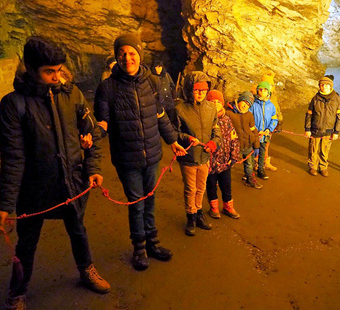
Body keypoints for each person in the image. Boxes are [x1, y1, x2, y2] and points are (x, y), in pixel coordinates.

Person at [0, 36, 110, 310]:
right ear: (30, 69)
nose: (57, 77)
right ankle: (17, 292)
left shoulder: (72, 94)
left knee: (78, 230)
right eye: (49, 72)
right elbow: (13, 157)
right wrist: (5, 204)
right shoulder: (14, 104)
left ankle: (86, 269)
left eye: (59, 70)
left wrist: (92, 168)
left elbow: (92, 133)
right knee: (27, 244)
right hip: (33, 188)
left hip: (71, 182)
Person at [94, 33, 186, 271]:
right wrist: (92, 135)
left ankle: (153, 242)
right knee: (136, 203)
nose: (127, 58)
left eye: (132, 53)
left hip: (153, 155)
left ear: (139, 55)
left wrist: (173, 140)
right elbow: (102, 122)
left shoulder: (152, 83)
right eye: (122, 54)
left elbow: (160, 116)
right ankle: (140, 248)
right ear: (116, 57)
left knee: (151, 200)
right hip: (127, 159)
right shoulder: (107, 88)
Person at [173, 71, 222, 236]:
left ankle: (199, 213)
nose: (201, 93)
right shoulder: (180, 110)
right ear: (189, 90)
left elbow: (217, 130)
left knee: (201, 188)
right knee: (190, 188)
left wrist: (214, 143)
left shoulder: (211, 109)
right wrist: (187, 138)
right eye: (196, 90)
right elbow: (174, 132)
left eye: (203, 90)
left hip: (204, 155)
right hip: (188, 156)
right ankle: (191, 216)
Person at [205, 90, 240, 219]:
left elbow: (234, 138)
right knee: (211, 186)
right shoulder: (206, 120)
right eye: (212, 102)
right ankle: (214, 207)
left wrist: (234, 156)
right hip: (211, 161)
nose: (215, 104)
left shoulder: (226, 120)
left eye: (218, 102)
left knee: (226, 185)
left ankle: (228, 206)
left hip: (225, 162)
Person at [304, 75, 340, 177]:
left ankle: (323, 167)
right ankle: (313, 167)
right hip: (315, 129)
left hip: (329, 130)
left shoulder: (337, 99)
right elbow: (309, 114)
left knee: (324, 150)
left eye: (327, 85)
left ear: (331, 86)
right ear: (319, 86)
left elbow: (339, 117)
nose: (324, 87)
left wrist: (336, 132)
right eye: (322, 85)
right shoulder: (315, 99)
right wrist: (307, 129)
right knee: (313, 149)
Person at [226, 91, 262, 189]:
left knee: (249, 163)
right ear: (240, 101)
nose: (245, 106)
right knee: (228, 163)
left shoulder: (249, 115)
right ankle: (222, 179)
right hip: (234, 144)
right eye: (245, 103)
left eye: (248, 105)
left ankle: (249, 178)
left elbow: (254, 130)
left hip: (247, 143)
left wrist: (256, 145)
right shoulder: (229, 113)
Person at [249, 82, 278, 180]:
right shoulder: (253, 104)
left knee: (262, 152)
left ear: (268, 92)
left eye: (265, 90)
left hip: (265, 135)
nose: (262, 92)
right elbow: (249, 118)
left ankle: (260, 170)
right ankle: (248, 172)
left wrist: (269, 129)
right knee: (251, 152)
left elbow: (274, 119)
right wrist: (254, 130)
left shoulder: (271, 106)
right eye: (260, 89)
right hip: (254, 134)